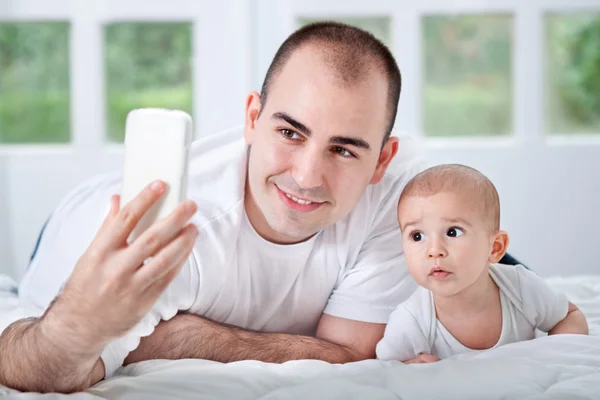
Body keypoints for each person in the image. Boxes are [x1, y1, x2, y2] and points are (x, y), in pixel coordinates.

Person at [0, 22, 425, 393]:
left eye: (344, 151)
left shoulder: (403, 196)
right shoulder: (175, 230)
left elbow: (353, 351)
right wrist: (76, 332)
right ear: (252, 118)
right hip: (75, 225)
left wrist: (180, 334)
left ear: (382, 160)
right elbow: (45, 367)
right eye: (290, 133)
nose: (307, 176)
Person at [375, 164, 589, 363]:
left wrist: (555, 356)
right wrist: (409, 366)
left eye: (453, 232)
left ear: (495, 247)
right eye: (417, 236)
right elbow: (383, 369)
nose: (434, 250)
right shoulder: (411, 320)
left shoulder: (520, 288)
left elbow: (570, 316)